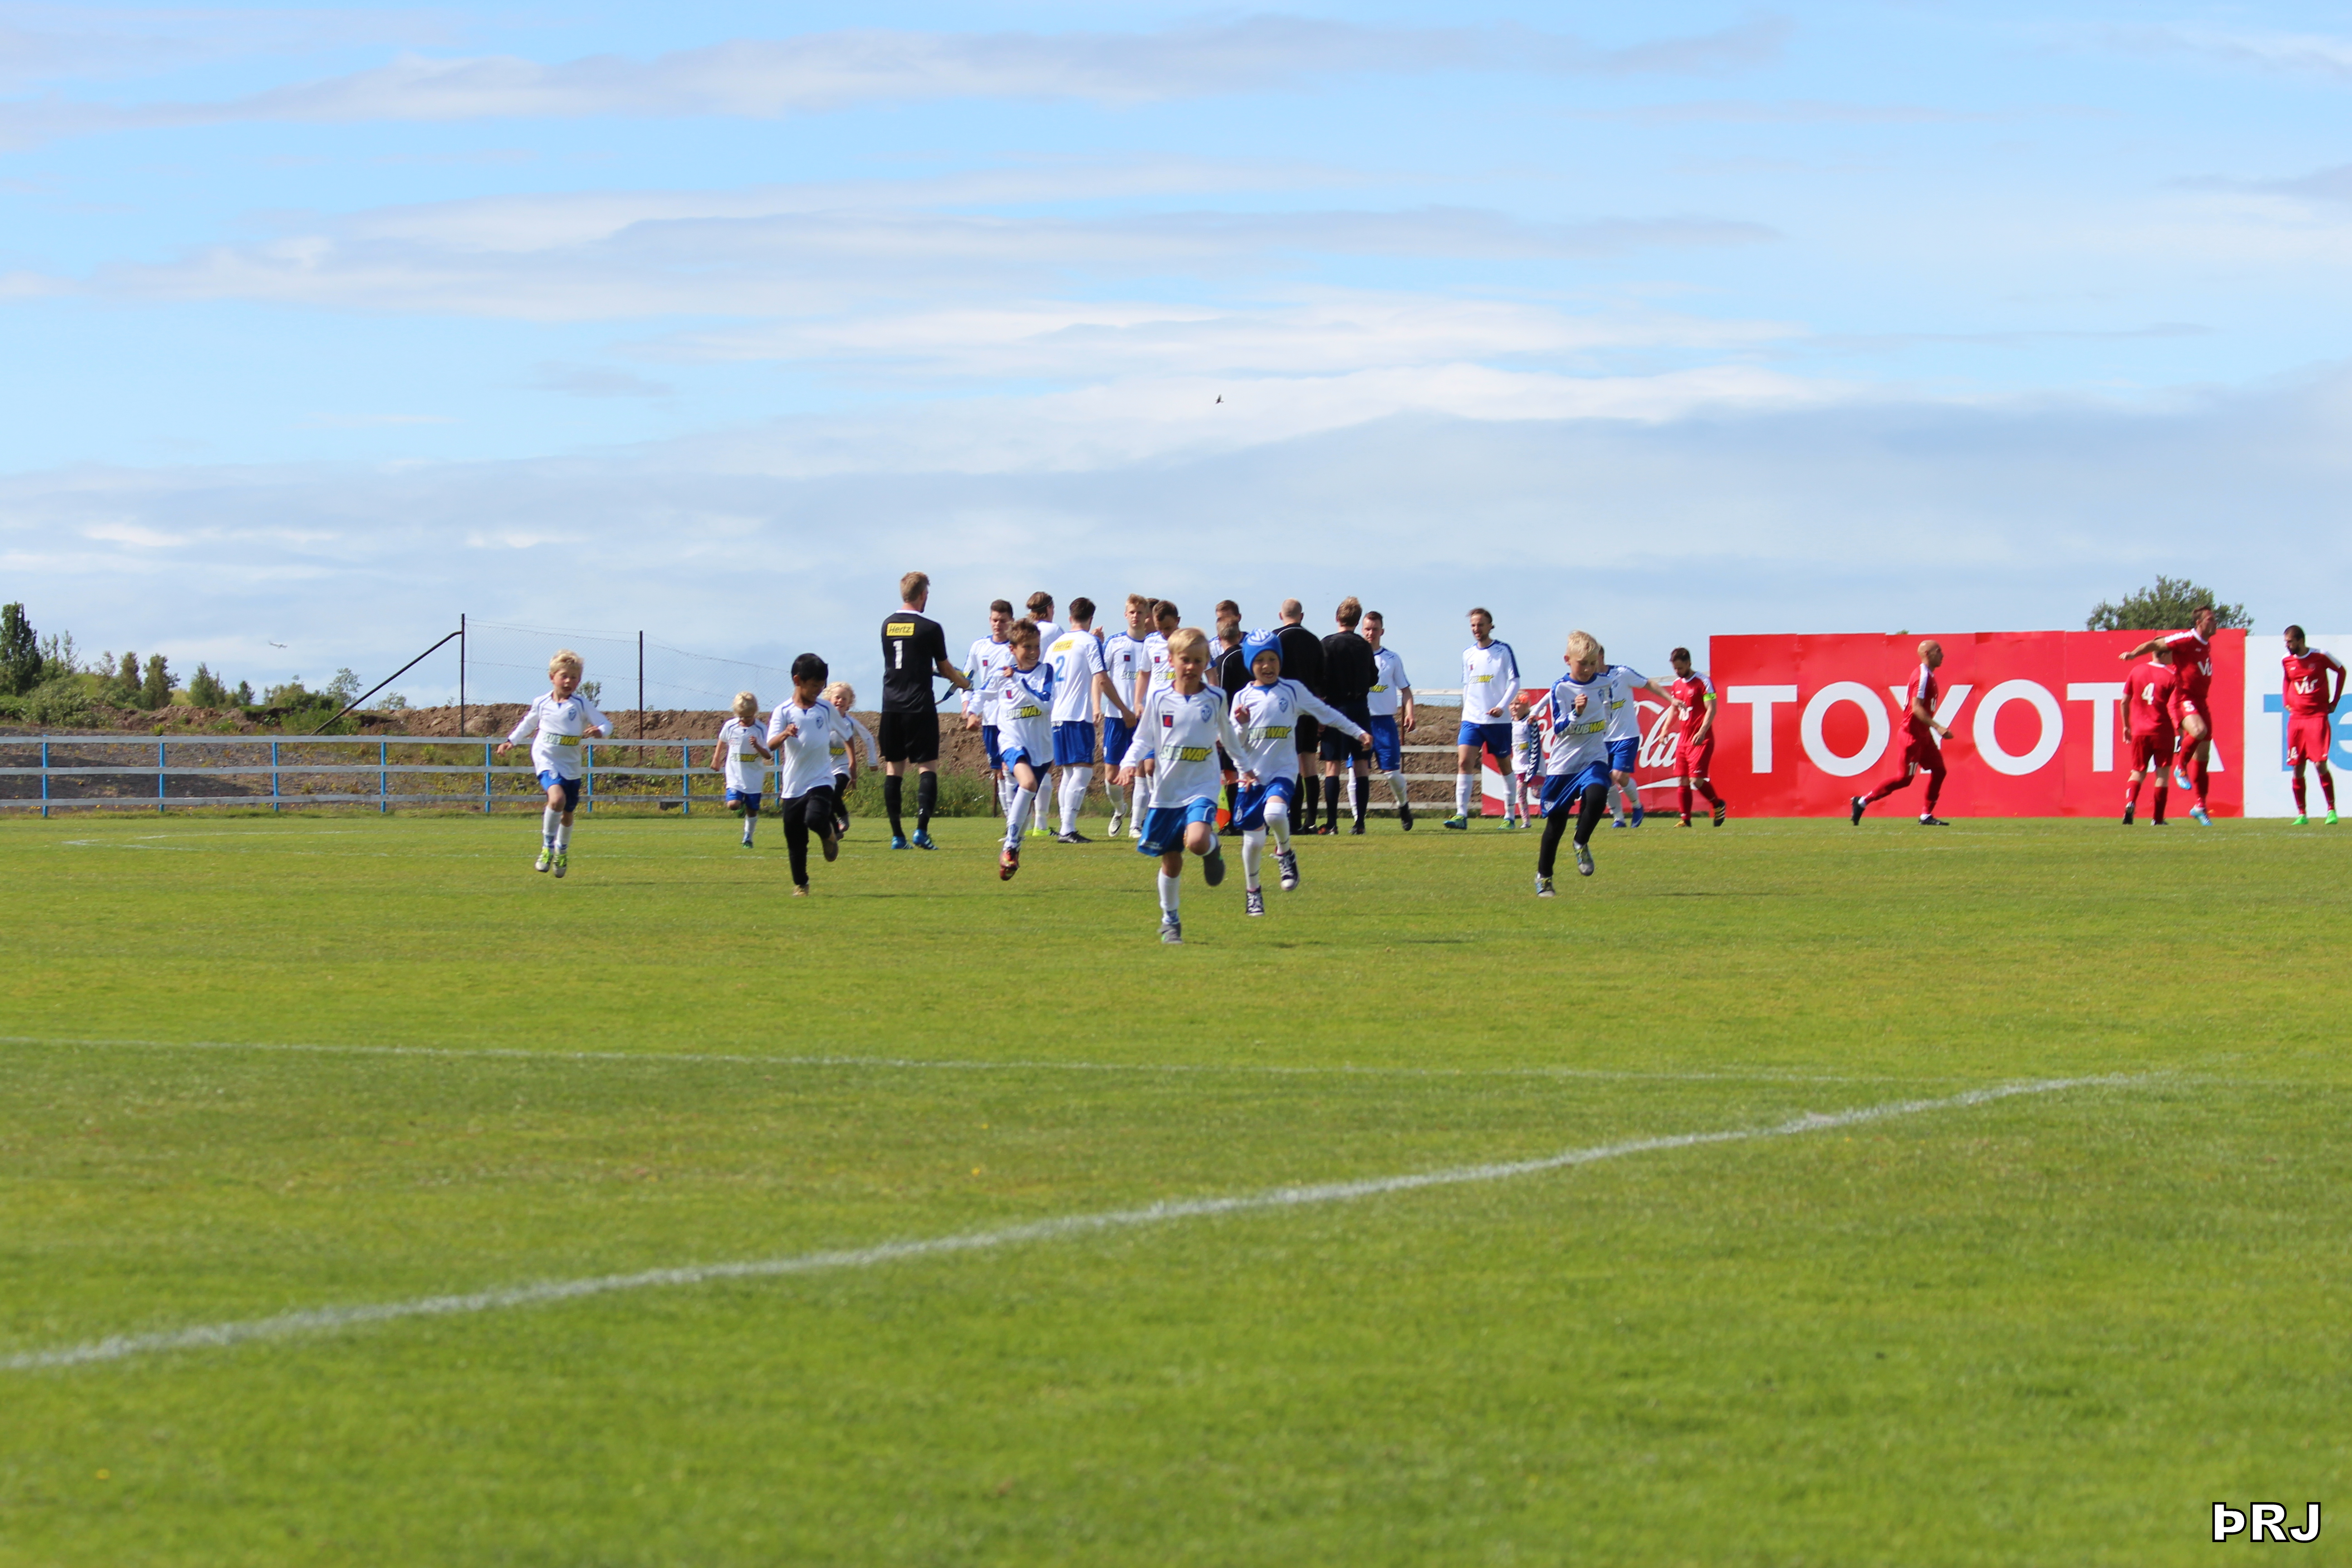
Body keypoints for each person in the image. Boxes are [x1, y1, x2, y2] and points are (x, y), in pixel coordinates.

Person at [1228, 632, 1372, 916]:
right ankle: (1253, 892)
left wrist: (1358, 732)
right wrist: (1242, 726)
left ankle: (1284, 852)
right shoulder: (1242, 698)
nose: (1267, 666)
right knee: (1254, 843)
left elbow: (1327, 713)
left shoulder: (1293, 691)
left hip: (1282, 772)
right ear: (1250, 664)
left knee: (1275, 815)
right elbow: (1235, 743)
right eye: (1260, 660)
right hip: (1252, 778)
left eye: (1273, 659)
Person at [1115, 626, 1241, 944]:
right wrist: (1129, 763)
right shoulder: (1159, 698)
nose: (1191, 667)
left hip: (1202, 786)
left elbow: (1228, 737)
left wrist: (1245, 768)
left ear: (1206, 662)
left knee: (1196, 841)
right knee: (1171, 861)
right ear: (1171, 660)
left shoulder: (1216, 698)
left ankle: (1211, 848)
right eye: (1185, 659)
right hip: (1168, 791)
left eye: (1198, 661)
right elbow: (1143, 738)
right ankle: (1170, 920)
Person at [1514, 632, 1614, 893]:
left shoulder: (1605, 683)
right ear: (1568, 660)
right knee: (1555, 826)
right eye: (1582, 664)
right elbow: (1559, 728)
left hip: (1593, 758)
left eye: (1592, 663)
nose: (1588, 669)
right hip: (1564, 766)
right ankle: (1544, 877)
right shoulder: (1561, 688)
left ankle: (1581, 842)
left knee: (1598, 796)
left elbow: (1609, 708)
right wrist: (1576, 714)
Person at [879, 572, 971, 852]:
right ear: (922, 595)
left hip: (891, 706)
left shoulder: (887, 625)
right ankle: (921, 831)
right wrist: (965, 683)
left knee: (894, 769)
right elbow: (946, 668)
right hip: (919, 706)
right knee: (927, 767)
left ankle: (897, 836)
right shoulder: (931, 628)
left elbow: (904, 661)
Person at [500, 648, 611, 877]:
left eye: (574, 677)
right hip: (545, 757)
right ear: (553, 677)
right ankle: (547, 848)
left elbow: (607, 724)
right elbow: (528, 723)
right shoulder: (541, 703)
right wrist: (512, 740)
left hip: (570, 763)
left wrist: (600, 731)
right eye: (564, 676)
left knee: (568, 812)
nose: (569, 681)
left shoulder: (581, 704)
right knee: (557, 799)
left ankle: (562, 851)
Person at [2119, 606, 2219, 826]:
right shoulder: (2186, 639)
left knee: (2204, 756)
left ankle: (2200, 806)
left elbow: (2125, 701)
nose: (2215, 623)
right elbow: (2155, 644)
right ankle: (2181, 768)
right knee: (2199, 732)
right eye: (2211, 619)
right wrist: (2134, 654)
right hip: (2185, 699)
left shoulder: (2206, 644)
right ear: (2199, 623)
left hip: (2201, 702)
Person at [1046, 597, 1134, 843]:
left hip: (1057, 715)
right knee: (1083, 773)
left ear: (1070, 617)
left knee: (1068, 774)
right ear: (1091, 618)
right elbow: (1102, 679)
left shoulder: (1055, 645)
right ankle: (1068, 830)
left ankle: (1065, 827)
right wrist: (1124, 710)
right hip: (1077, 715)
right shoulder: (1090, 642)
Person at [766, 654, 848, 896]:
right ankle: (801, 885)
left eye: (822, 686)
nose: (818, 690)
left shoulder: (826, 709)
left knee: (814, 819)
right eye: (814, 685)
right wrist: (785, 734)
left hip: (821, 779)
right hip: (793, 785)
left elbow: (847, 733)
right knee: (795, 840)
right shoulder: (783, 711)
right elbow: (770, 746)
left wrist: (853, 762)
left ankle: (828, 833)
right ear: (797, 681)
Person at [1850, 640, 1952, 826]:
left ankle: (1926, 815)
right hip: (1912, 735)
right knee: (1904, 779)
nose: (1942, 655)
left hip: (1923, 734)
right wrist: (1938, 727)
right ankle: (1862, 802)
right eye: (1939, 651)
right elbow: (1916, 708)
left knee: (1940, 770)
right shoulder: (1922, 676)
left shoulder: (1929, 675)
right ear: (1927, 654)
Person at [992, 621, 1057, 879]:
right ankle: (1010, 846)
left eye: (1036, 646)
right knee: (1028, 784)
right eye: (1027, 647)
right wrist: (970, 709)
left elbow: (1045, 704)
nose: (1033, 652)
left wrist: (1018, 680)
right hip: (1011, 742)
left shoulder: (1046, 671)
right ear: (1013, 648)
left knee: (1028, 797)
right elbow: (983, 692)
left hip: (1041, 748)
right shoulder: (1003, 673)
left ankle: (1014, 849)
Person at [1448, 608, 1520, 830]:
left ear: (1491, 626)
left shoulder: (1503, 651)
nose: (1476, 629)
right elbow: (1467, 686)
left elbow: (1515, 681)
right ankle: (1461, 815)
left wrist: (1502, 707)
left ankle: (1509, 816)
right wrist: (1465, 713)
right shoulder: (1467, 654)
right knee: (1464, 762)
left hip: (1498, 721)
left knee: (1504, 766)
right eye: (1473, 625)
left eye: (1480, 625)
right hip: (1472, 719)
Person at [1597, 647, 1682, 828]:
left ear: (1601, 656)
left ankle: (1637, 806)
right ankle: (1618, 819)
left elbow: (1648, 683)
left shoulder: (1622, 673)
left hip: (1626, 735)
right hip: (1602, 738)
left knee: (1619, 776)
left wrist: (1671, 700)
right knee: (1607, 780)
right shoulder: (1589, 681)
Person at [1317, 596, 1380, 833]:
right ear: (1357, 620)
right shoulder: (1364, 646)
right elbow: (1373, 678)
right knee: (1361, 764)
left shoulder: (1327, 644)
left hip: (1334, 708)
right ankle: (1360, 822)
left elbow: (1320, 679)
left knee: (1332, 765)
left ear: (1337, 618)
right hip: (1360, 708)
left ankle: (1332, 823)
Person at [2282, 625, 2345, 825]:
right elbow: (2287, 680)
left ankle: (2331, 810)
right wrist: (2286, 701)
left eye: (2290, 642)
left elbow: (2341, 671)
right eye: (2286, 642)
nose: (2287, 645)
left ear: (2301, 641)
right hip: (2297, 720)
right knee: (2297, 767)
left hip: (2317, 717)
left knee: (2319, 764)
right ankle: (2302, 814)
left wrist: (2335, 701)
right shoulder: (2287, 660)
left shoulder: (2320, 656)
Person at [1361, 610, 1416, 828]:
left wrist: (1410, 713)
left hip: (1384, 724)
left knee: (1392, 774)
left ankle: (1403, 805)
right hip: (1360, 723)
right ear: (1362, 630)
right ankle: (1358, 821)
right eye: (1367, 629)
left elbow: (1406, 690)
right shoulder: (1355, 656)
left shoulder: (1392, 659)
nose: (1371, 633)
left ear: (1382, 631)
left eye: (1375, 629)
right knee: (1356, 773)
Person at [963, 599, 1018, 822]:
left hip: (1012, 717)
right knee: (999, 771)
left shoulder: (1017, 648)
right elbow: (966, 679)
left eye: (1003, 621)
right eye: (995, 620)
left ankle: (1018, 819)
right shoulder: (979, 647)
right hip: (989, 719)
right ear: (990, 620)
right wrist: (967, 706)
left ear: (1011, 621)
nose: (998, 625)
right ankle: (1010, 820)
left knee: (1010, 768)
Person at [1100, 595, 1151, 836]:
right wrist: (1099, 707)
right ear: (1126, 615)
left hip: (1145, 718)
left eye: (1140, 612)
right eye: (1132, 612)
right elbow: (1100, 677)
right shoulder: (1115, 643)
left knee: (1143, 770)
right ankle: (1120, 809)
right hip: (1116, 717)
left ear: (1147, 616)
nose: (1136, 616)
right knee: (1111, 777)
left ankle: (1136, 825)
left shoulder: (1154, 644)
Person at [1665, 647, 1727, 827]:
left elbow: (1711, 709)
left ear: (1689, 664)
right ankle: (1686, 820)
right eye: (1675, 668)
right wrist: (1665, 730)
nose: (1678, 672)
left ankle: (1718, 804)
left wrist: (1702, 731)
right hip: (1684, 740)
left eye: (1680, 668)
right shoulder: (1676, 685)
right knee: (1682, 779)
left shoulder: (1703, 682)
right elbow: (1674, 709)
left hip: (1701, 740)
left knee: (1696, 780)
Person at [1271, 599, 1326, 784]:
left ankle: (1294, 804)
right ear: (1302, 616)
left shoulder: (1275, 640)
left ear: (1281, 615)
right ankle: (1312, 804)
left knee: (1290, 762)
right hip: (1309, 706)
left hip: (1284, 708)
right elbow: (1321, 680)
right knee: (1309, 761)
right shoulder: (1314, 641)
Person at [709, 691, 772, 848]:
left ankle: (748, 837)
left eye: (748, 717)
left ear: (755, 713)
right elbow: (722, 740)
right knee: (733, 805)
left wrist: (757, 746)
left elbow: (768, 755)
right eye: (742, 717)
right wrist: (716, 759)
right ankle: (739, 799)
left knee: (752, 810)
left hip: (754, 776)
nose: (745, 720)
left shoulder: (761, 729)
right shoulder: (730, 726)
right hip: (735, 774)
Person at [2120, 656, 2177, 827]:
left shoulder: (2137, 671)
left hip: (2140, 731)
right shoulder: (2172, 676)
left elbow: (2124, 701)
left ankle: (2130, 802)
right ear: (2164, 654)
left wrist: (2126, 726)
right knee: (2162, 775)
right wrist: (2181, 733)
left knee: (2137, 772)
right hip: (2162, 731)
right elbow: (2175, 708)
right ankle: (2158, 819)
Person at [821, 681, 877, 837]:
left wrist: (872, 761)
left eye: (844, 699)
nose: (840, 701)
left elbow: (869, 738)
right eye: (837, 697)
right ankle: (835, 831)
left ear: (849, 703)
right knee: (824, 799)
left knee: (833, 795)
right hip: (824, 768)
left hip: (843, 768)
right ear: (829, 700)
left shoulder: (851, 723)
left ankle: (842, 818)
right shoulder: (822, 721)